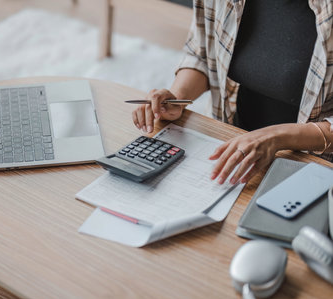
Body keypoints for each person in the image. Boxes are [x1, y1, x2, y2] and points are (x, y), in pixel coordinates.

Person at [132, 0, 333, 185]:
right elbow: (202, 52)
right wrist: (176, 96)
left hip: (317, 164)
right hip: (233, 144)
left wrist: (277, 137)